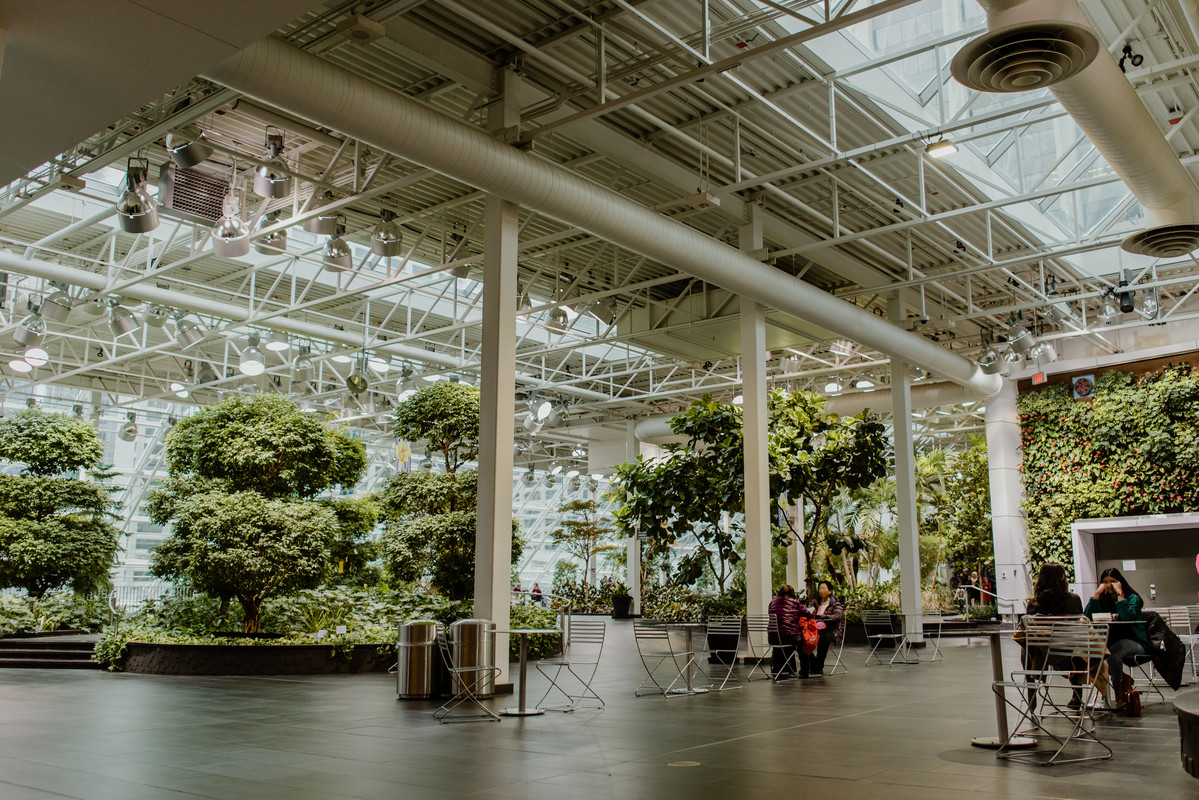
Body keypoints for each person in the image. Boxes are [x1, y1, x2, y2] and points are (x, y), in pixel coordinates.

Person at [1084, 566, 1150, 707]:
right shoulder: (1103, 600)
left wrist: (1120, 595)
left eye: (1112, 581)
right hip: (1111, 641)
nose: (1109, 585)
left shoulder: (1133, 598)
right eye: (1105, 582)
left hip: (1135, 641)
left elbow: (1127, 618)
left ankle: (1118, 690)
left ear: (1120, 582)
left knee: (1112, 656)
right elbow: (1088, 617)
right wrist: (1096, 595)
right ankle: (1124, 679)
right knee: (1097, 655)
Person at [1023, 563, 1086, 709]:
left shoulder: (1034, 604)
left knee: (1028, 645)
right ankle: (1077, 694)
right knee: (1077, 646)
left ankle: (1031, 698)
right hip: (1069, 654)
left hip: (1042, 656)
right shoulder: (1074, 600)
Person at [768, 584, 813, 680]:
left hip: (773, 637)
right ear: (792, 593)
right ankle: (804, 671)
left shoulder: (772, 602)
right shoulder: (795, 602)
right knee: (803, 645)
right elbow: (807, 614)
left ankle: (776, 670)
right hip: (790, 636)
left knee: (778, 647)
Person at [809, 580, 844, 677]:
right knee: (802, 639)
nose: (821, 590)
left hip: (830, 630)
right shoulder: (815, 602)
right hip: (815, 629)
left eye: (824, 588)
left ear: (830, 591)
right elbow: (808, 612)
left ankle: (818, 667)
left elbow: (837, 616)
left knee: (823, 638)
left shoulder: (835, 603)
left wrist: (826, 617)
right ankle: (814, 663)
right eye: (820, 588)